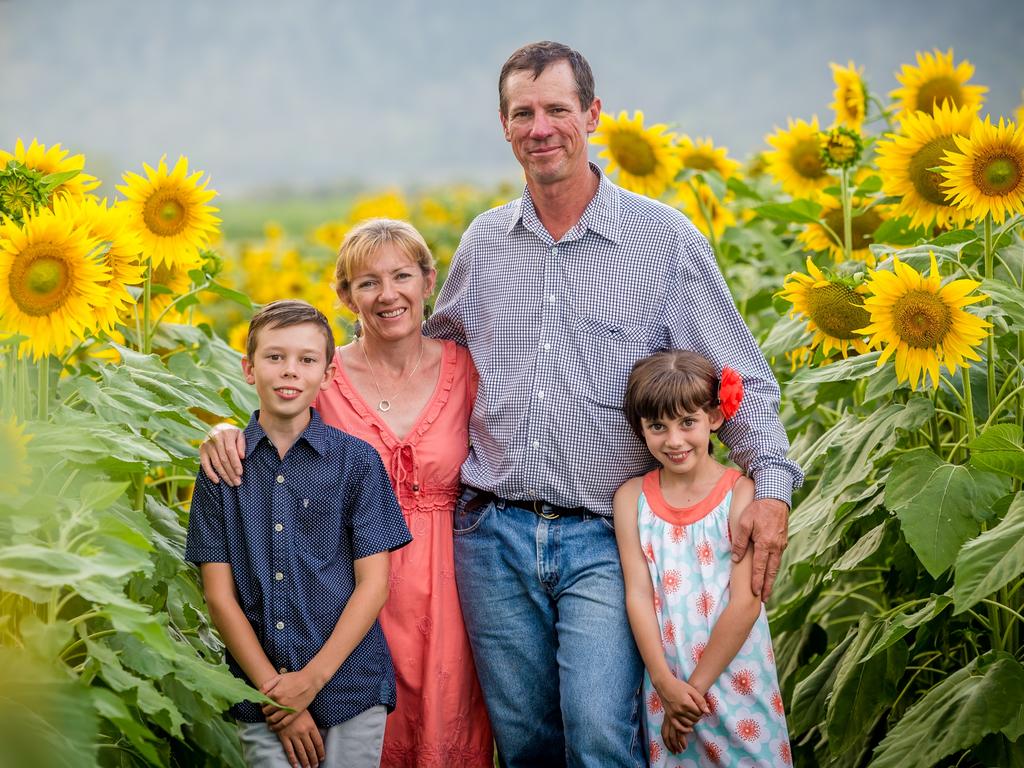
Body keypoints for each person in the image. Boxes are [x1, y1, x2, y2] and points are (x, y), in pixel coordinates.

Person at [422, 41, 803, 765]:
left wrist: (773, 492)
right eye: (523, 113)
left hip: (607, 537)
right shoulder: (484, 245)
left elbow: (742, 377)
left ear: (593, 115)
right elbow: (426, 363)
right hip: (491, 536)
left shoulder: (662, 241)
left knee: (601, 736)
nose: (541, 128)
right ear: (503, 126)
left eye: (558, 110)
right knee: (526, 741)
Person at [199, 221, 493, 767]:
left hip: (451, 583)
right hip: (339, 586)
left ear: (430, 281)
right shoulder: (324, 373)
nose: (387, 294)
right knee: (354, 729)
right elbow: (275, 427)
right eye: (366, 282)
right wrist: (222, 432)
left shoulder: (468, 368)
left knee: (444, 729)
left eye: (402, 275)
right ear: (344, 295)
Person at [185, 299, 413, 768]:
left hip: (351, 685)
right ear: (249, 369)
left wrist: (309, 681)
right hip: (262, 695)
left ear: (327, 375)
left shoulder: (357, 463)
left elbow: (374, 586)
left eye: (306, 360)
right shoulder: (222, 470)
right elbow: (219, 598)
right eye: (275, 357)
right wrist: (279, 694)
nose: (290, 371)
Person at [614, 351, 791, 766]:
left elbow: (746, 602)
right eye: (657, 426)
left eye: (687, 422)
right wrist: (664, 683)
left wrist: (692, 693)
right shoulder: (631, 499)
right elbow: (637, 595)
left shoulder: (741, 493)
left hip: (735, 676)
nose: (673, 440)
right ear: (640, 428)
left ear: (714, 417)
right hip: (668, 683)